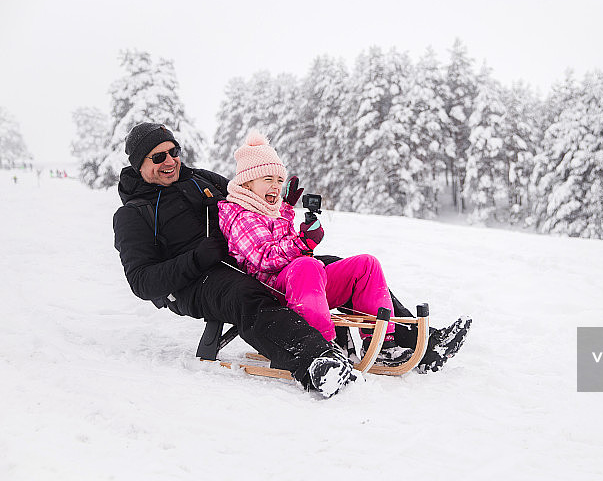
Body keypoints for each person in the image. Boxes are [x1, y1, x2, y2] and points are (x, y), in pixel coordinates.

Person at [112, 122, 470, 398]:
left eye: (174, 151)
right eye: (158, 157)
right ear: (139, 163)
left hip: (249, 257)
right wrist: (196, 259)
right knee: (244, 296)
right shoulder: (134, 214)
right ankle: (317, 359)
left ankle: (416, 343)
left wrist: (281, 205)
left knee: (330, 266)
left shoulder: (202, 180)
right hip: (196, 283)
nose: (170, 161)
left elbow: (249, 202)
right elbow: (142, 281)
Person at [217, 132, 414, 366]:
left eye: (279, 180)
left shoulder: (270, 209)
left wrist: (288, 207)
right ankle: (323, 347)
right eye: (267, 179)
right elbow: (265, 257)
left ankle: (380, 343)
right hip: (274, 295)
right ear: (247, 182)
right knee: (307, 265)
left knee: (366, 265)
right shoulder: (241, 216)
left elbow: (279, 232)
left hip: (304, 285)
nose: (276, 187)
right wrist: (303, 242)